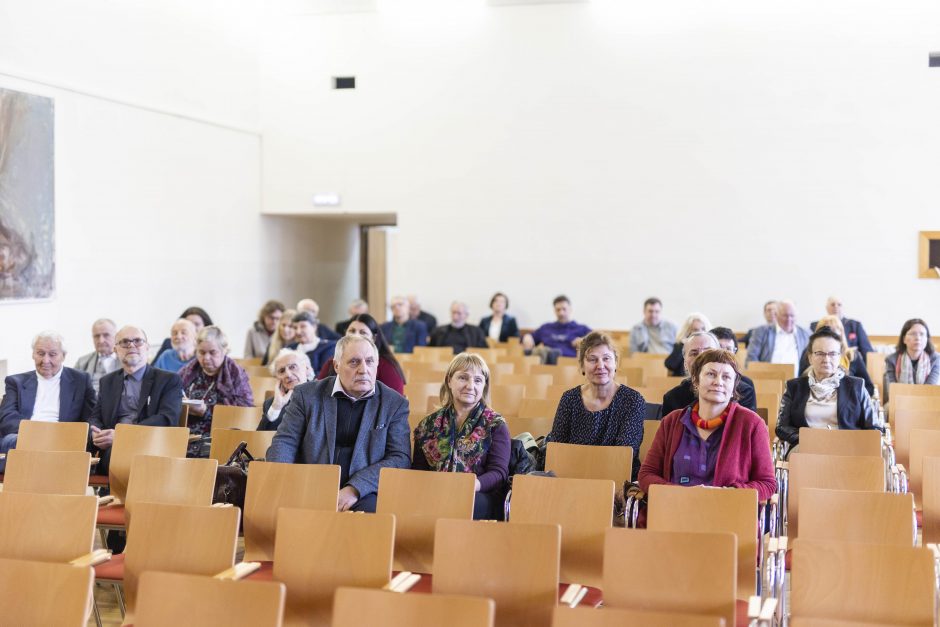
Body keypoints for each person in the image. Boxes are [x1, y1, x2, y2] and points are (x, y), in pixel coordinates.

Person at [266, 335, 411, 513]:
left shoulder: (394, 403)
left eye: (370, 361)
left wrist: (355, 489)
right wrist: (285, 482)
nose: (363, 369)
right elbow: (285, 442)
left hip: (364, 493)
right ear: (336, 366)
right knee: (283, 514)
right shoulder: (306, 395)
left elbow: (399, 457)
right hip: (311, 484)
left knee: (369, 522)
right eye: (354, 362)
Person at [639, 349, 776, 502]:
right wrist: (677, 493)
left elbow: (767, 484)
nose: (718, 382)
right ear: (696, 381)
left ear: (733, 387)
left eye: (726, 377)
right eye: (711, 374)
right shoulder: (672, 421)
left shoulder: (752, 424)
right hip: (676, 507)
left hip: (728, 513)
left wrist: (725, 493)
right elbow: (647, 474)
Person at [412, 353, 510, 520]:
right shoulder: (427, 425)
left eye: (478, 380)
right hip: (436, 494)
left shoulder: (495, 424)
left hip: (479, 495)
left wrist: (472, 485)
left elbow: (499, 473)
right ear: (449, 380)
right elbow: (418, 472)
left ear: (484, 386)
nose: (470, 386)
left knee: (458, 506)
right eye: (463, 378)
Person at [548, 332, 645, 480]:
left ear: (615, 363)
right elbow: (557, 450)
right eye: (592, 359)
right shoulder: (569, 399)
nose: (600, 366)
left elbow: (622, 456)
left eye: (606, 358)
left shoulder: (633, 400)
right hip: (572, 478)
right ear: (582, 365)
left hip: (616, 481)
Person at [88, 326, 184, 474]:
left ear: (147, 347)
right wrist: (96, 432)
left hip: (151, 445)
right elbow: (96, 416)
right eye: (125, 342)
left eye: (138, 341)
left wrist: (122, 436)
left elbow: (167, 418)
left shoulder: (168, 380)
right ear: (115, 349)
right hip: (112, 450)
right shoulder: (107, 382)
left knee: (121, 457)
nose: (131, 345)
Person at [776, 327, 879, 451]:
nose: (826, 359)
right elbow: (781, 427)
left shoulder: (857, 386)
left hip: (847, 448)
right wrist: (809, 439)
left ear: (840, 357)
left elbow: (873, 428)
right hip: (806, 447)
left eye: (832, 354)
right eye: (820, 353)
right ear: (810, 357)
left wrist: (850, 442)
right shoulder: (794, 387)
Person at [0, 331, 96, 463]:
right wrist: (38, 433)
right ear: (33, 354)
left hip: (64, 439)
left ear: (63, 356)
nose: (45, 360)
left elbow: (91, 417)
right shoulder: (15, 382)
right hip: (23, 437)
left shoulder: (81, 380)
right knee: (15, 443)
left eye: (52, 354)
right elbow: (7, 418)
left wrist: (58, 435)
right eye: (40, 353)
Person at [179, 326, 254, 436]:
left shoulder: (236, 374)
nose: (206, 358)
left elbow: (246, 413)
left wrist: (207, 412)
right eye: (202, 352)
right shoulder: (186, 372)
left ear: (224, 351)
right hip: (186, 434)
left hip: (222, 435)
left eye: (212, 352)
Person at [661, 330, 758, 416]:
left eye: (708, 352)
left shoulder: (744, 392)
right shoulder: (672, 398)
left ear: (719, 356)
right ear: (685, 363)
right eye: (694, 353)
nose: (701, 358)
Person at [317, 313, 406, 394]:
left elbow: (394, 404)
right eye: (352, 331)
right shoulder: (333, 362)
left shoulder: (387, 367)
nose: (356, 336)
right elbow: (318, 393)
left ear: (374, 338)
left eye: (363, 332)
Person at [797, 315, 874, 396]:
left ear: (841, 333)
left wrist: (852, 398)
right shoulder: (808, 353)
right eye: (826, 330)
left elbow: (869, 387)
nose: (830, 334)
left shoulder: (852, 356)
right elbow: (800, 384)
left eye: (834, 330)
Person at [746, 300, 810, 376]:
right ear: (776, 315)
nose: (789, 319)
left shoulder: (806, 334)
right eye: (785, 315)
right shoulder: (761, 332)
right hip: (767, 379)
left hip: (797, 381)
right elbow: (751, 358)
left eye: (792, 316)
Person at [522, 295, 591, 364]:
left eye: (564, 309)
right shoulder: (546, 328)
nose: (561, 313)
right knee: (540, 352)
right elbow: (530, 337)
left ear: (570, 309)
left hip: (570, 365)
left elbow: (597, 340)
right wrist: (527, 337)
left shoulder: (581, 328)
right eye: (558, 310)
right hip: (546, 365)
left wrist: (583, 341)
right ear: (554, 311)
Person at [884, 318, 940, 400]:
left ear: (927, 339)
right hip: (899, 403)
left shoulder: (935, 358)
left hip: (927, 402)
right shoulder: (891, 359)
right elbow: (892, 390)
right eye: (913, 334)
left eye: (922, 334)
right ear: (904, 339)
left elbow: (930, 390)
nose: (917, 338)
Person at [259, 349, 314, 431]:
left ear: (307, 369)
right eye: (282, 371)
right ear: (277, 378)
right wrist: (276, 408)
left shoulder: (323, 395)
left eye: (293, 367)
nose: (288, 374)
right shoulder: (271, 404)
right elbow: (260, 438)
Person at [73, 318, 120, 393]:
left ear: (116, 336)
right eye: (97, 336)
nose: (101, 340)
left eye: (106, 335)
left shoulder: (126, 360)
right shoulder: (82, 362)